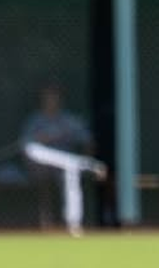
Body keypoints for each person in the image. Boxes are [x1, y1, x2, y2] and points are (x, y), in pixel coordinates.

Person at [20, 83, 108, 236]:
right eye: (48, 97)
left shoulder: (69, 120)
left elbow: (88, 141)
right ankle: (85, 165)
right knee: (32, 149)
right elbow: (27, 149)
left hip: (63, 170)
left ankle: (73, 224)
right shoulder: (35, 120)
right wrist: (45, 137)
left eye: (54, 97)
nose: (51, 100)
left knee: (70, 170)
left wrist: (87, 153)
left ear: (60, 99)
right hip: (39, 167)